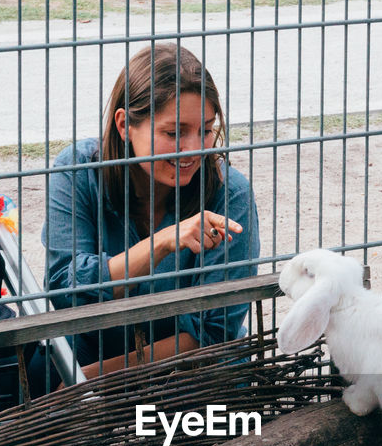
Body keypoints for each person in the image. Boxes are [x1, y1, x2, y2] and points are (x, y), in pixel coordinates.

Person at [42, 43, 260, 382]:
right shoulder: (77, 171)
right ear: (125, 124)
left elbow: (213, 332)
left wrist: (87, 382)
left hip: (190, 377)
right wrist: (161, 243)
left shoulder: (230, 194)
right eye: (174, 133)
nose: (194, 149)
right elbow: (66, 292)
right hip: (90, 354)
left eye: (205, 129)